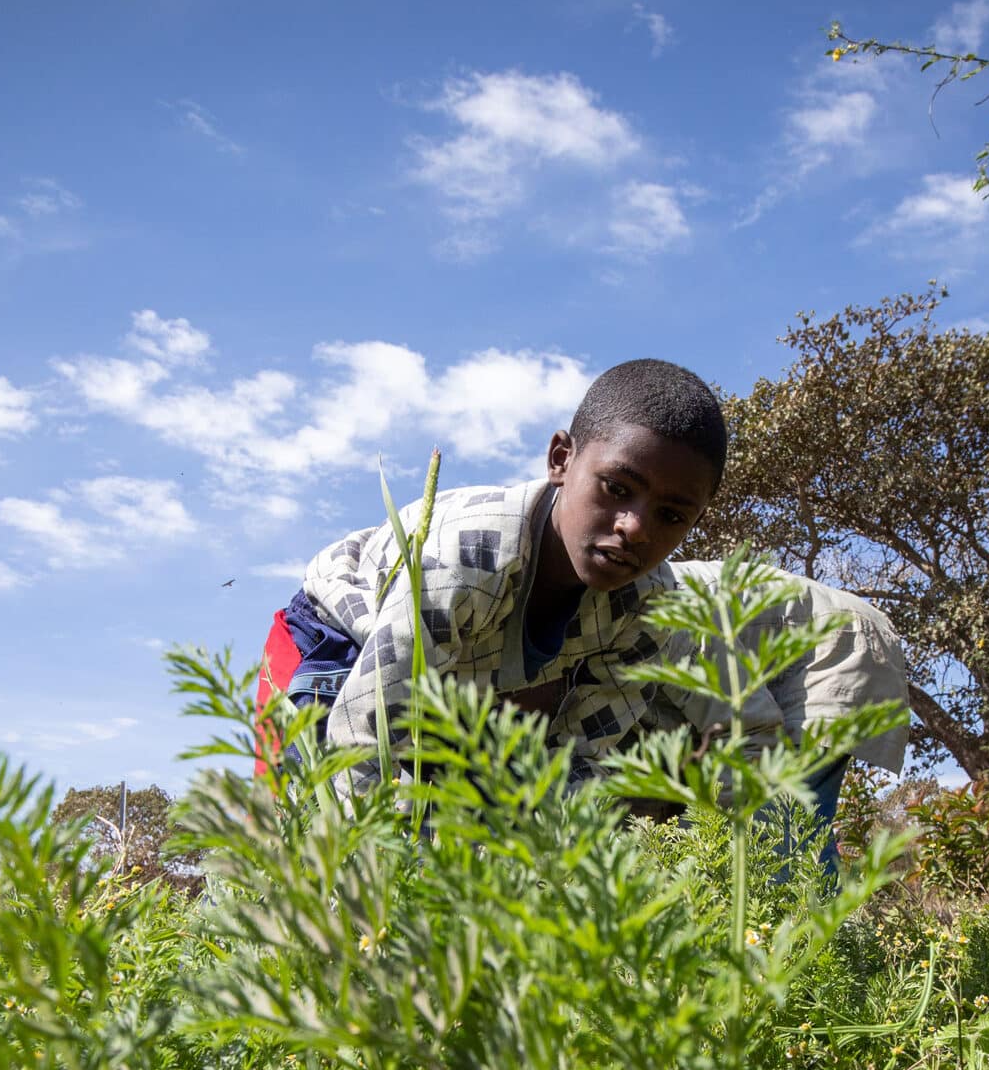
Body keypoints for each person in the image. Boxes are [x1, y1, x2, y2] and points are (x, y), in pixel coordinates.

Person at [256, 359, 728, 789]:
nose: (635, 528)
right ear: (561, 459)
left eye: (671, 516)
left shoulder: (650, 607)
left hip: (451, 681)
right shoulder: (467, 558)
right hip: (339, 641)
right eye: (616, 488)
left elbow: (581, 762)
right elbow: (360, 733)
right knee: (307, 833)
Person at [633, 562, 909, 870]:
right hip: (765, 661)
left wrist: (698, 834)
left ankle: (819, 916)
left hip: (833, 644)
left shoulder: (645, 604)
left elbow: (754, 731)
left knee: (779, 838)